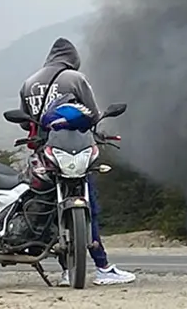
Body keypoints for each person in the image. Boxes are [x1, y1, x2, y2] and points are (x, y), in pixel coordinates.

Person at [19, 37, 136, 287]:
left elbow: (24, 122)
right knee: (88, 206)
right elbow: (92, 115)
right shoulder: (74, 78)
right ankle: (102, 267)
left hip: (44, 155)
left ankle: (65, 271)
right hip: (73, 151)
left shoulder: (29, 83)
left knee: (50, 211)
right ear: (73, 59)